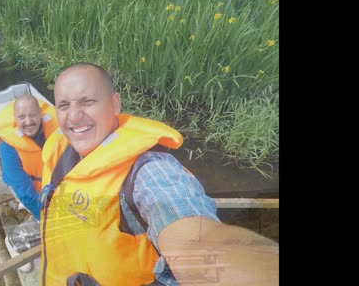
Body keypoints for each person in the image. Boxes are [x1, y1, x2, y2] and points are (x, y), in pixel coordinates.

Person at [38, 62, 278, 285]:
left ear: (115, 104)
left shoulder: (150, 173)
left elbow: (196, 240)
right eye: (64, 105)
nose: (74, 116)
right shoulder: (60, 147)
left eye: (87, 101)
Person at [0, 93, 58, 272]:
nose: (28, 121)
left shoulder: (56, 127)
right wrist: (44, 216)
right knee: (54, 223)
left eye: (32, 115)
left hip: (55, 183)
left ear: (40, 114)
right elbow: (24, 191)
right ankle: (15, 241)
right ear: (15, 119)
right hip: (29, 190)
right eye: (22, 117)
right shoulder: (9, 147)